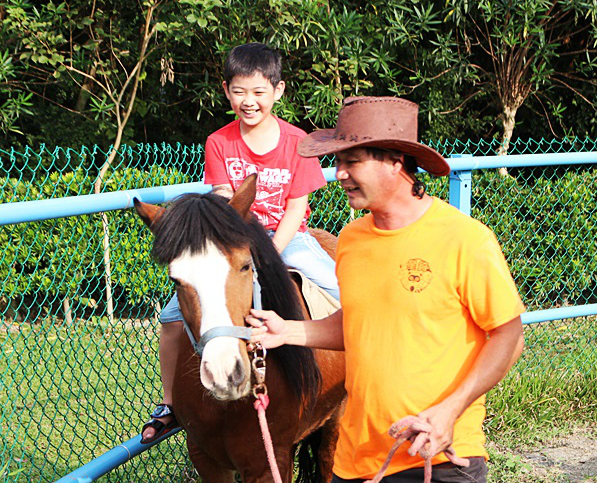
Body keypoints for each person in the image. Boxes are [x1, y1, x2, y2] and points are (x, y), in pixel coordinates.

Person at [246, 96, 526, 482]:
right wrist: (289, 331)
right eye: (338, 162)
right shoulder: (351, 240)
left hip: (439, 455)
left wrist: (450, 410)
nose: (339, 173)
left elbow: (509, 336)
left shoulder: (465, 240)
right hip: (358, 458)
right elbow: (358, 323)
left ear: (396, 162)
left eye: (352, 161)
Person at [141, 42, 339, 444]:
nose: (249, 102)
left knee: (338, 287)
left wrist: (272, 252)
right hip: (233, 242)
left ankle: (355, 369)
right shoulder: (219, 141)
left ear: (278, 91)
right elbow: (221, 201)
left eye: (259, 92)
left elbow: (297, 209)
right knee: (172, 317)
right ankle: (169, 404)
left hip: (288, 239)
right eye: (240, 91)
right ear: (227, 91)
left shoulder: (297, 141)